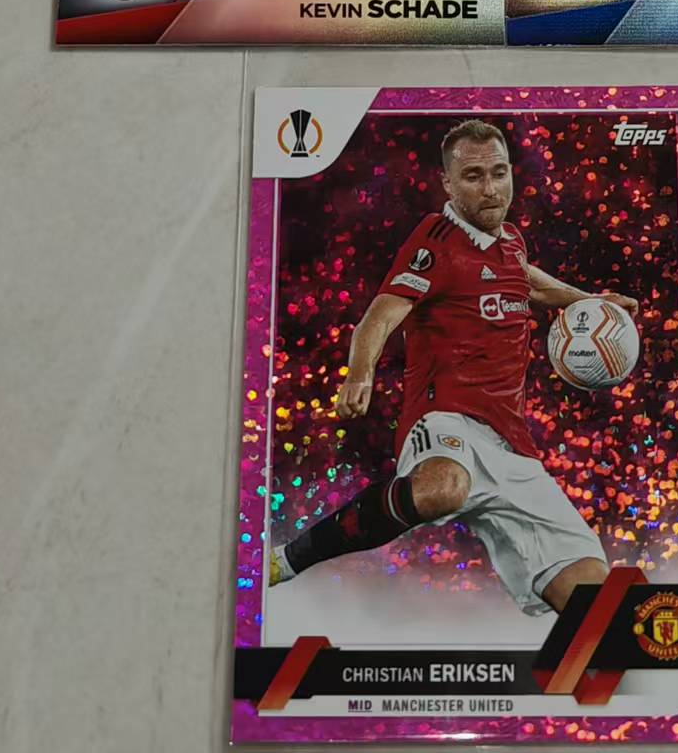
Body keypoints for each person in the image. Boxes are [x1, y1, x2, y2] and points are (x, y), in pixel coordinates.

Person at [268, 120, 640, 615]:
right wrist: (360, 374)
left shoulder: (510, 240)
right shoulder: (435, 240)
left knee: (594, 597)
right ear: (448, 183)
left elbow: (529, 282)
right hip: (445, 417)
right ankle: (288, 559)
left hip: (511, 443)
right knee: (444, 487)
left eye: (499, 173)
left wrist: (590, 300)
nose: (490, 189)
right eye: (473, 176)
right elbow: (379, 317)